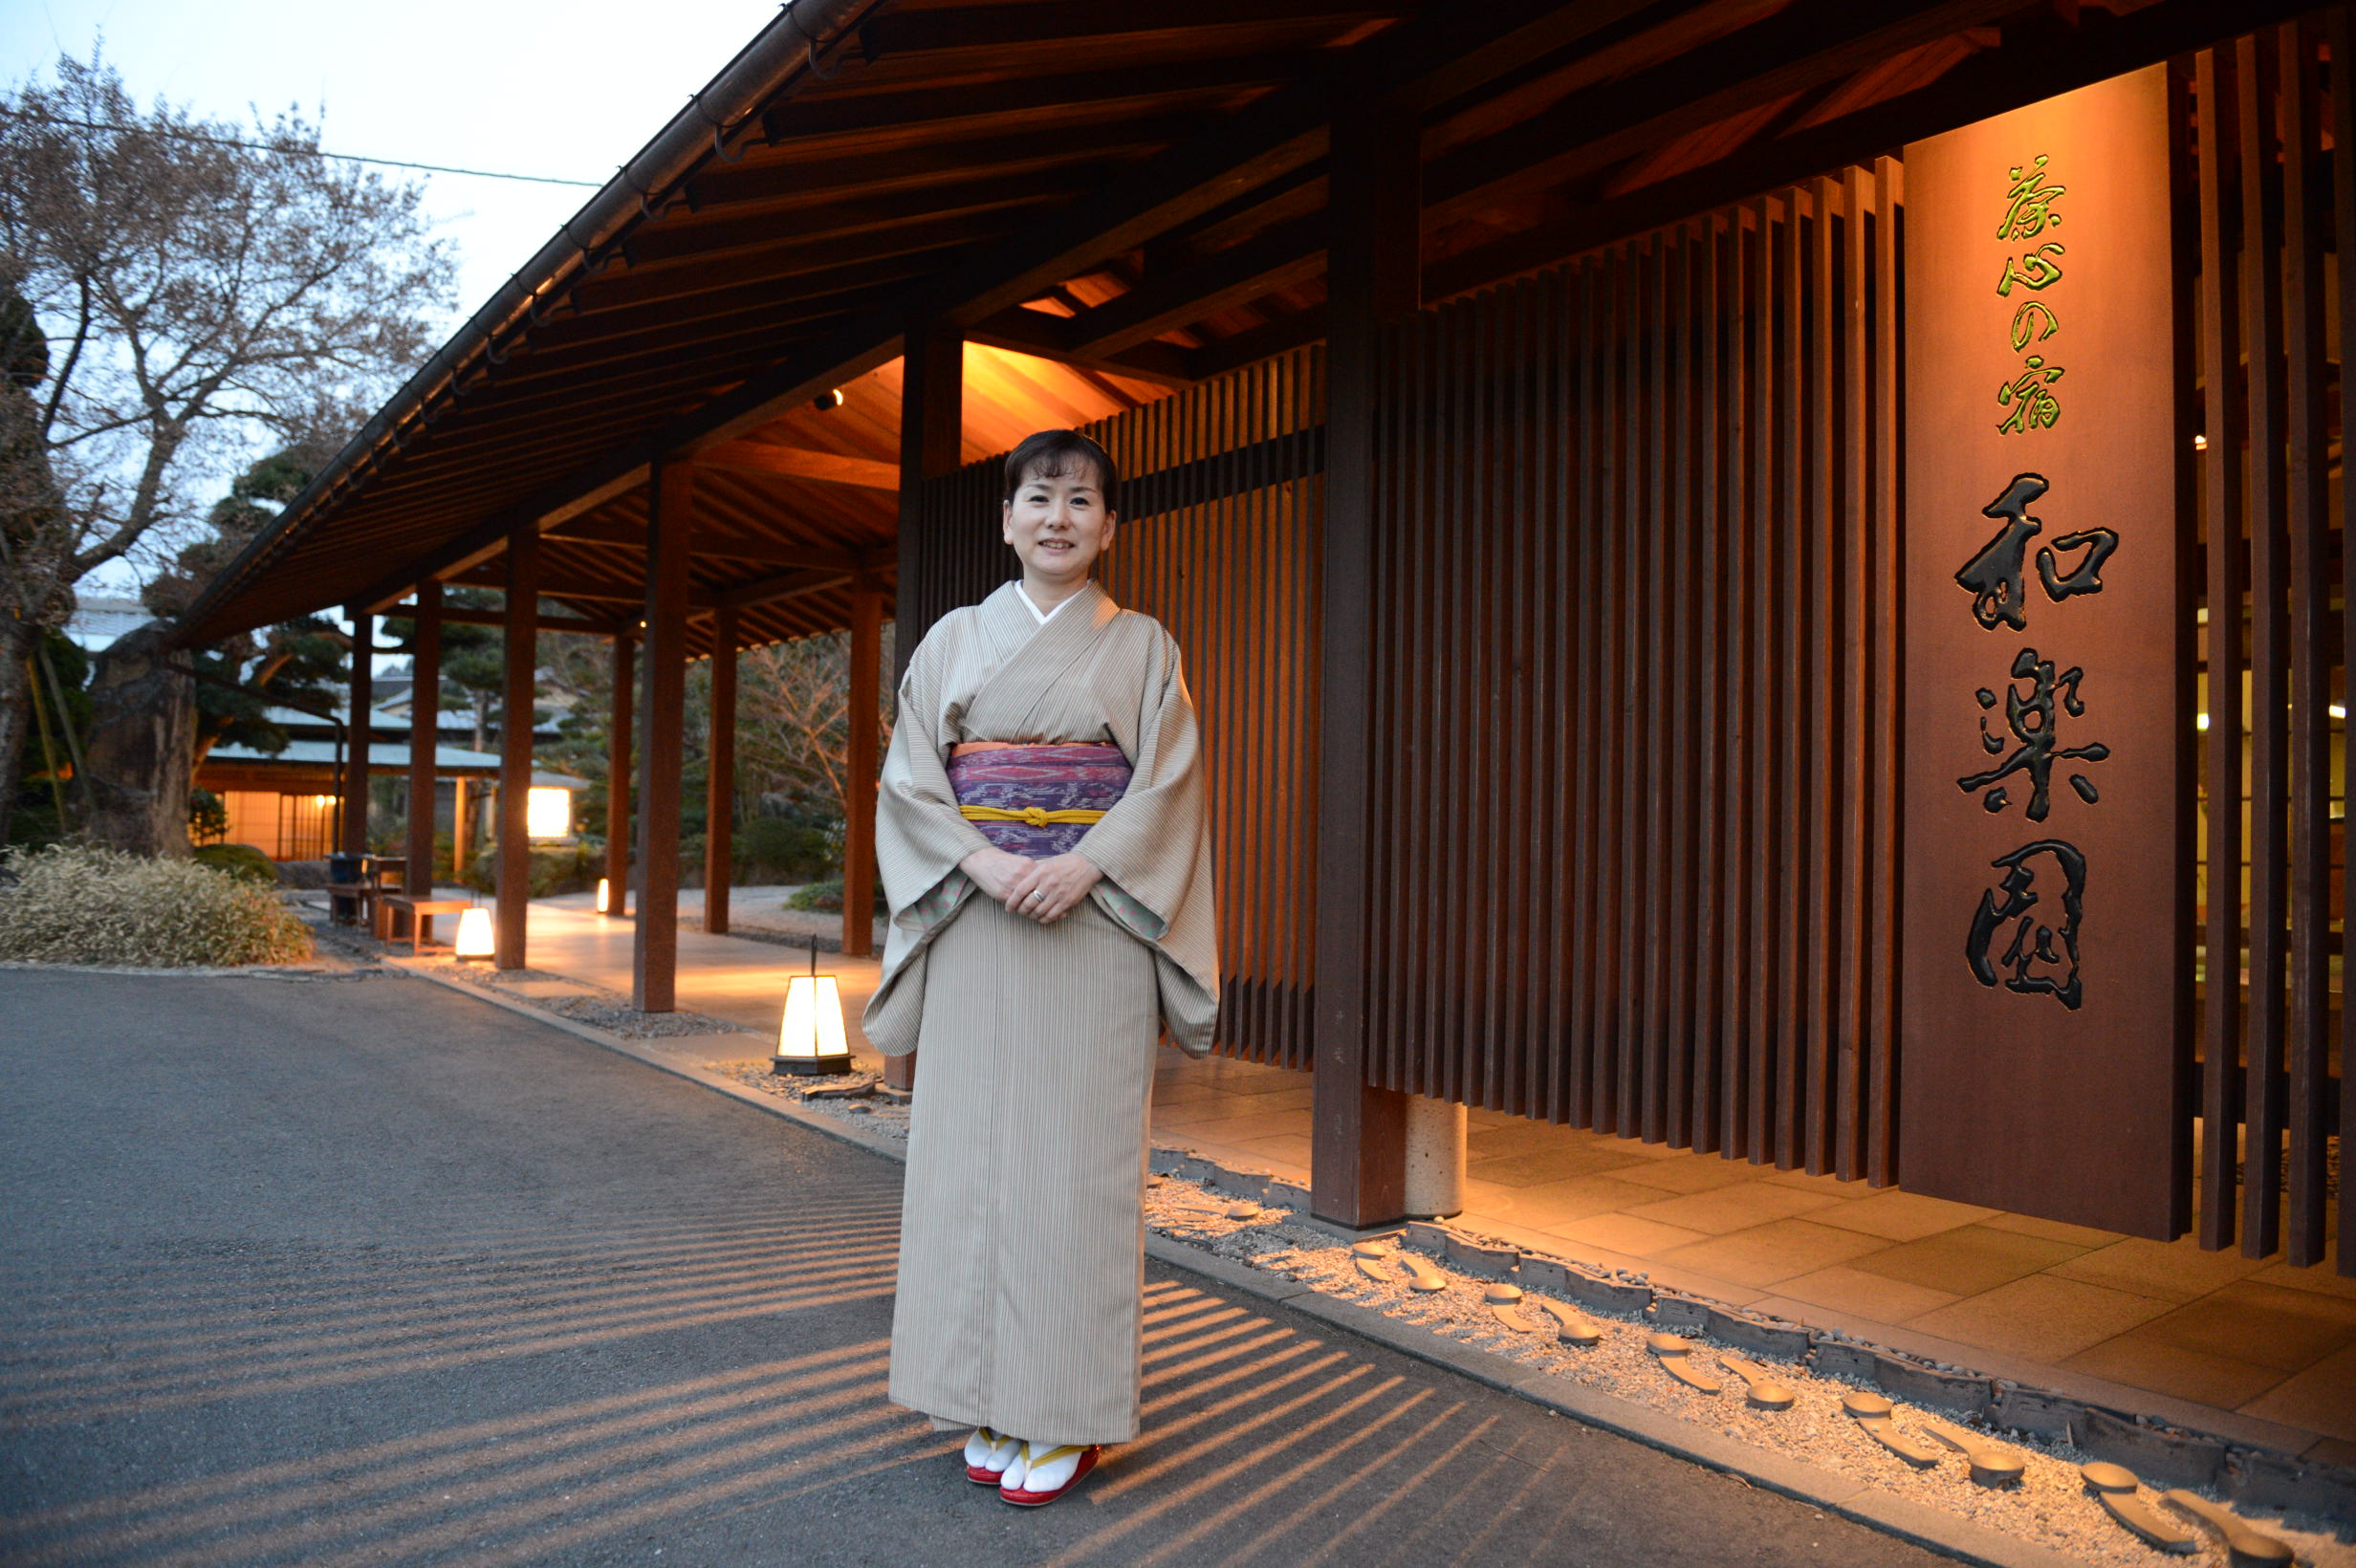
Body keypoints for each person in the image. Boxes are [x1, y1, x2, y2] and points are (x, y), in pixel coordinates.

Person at [866, 427, 1218, 1508]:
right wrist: (978, 858)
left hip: (1092, 921)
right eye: (1038, 497)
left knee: (1075, 1172)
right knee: (965, 1162)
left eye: (1080, 499)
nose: (1058, 517)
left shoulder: (1143, 646)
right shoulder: (951, 640)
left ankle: (1063, 1411)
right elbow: (909, 779)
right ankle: (977, 1391)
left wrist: (1086, 863)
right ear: (1007, 521)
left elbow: (1167, 785)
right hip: (976, 916)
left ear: (1109, 527)